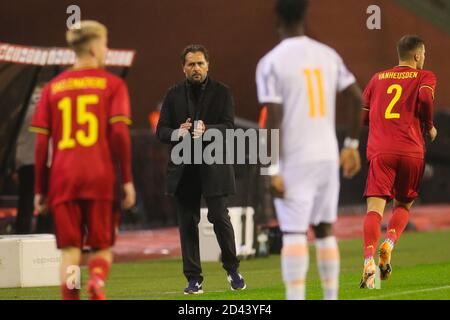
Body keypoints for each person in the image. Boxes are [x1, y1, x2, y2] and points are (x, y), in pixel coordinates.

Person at [256, 0, 362, 300]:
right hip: (327, 156)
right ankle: (331, 296)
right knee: (325, 230)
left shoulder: (271, 62)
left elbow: (273, 118)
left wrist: (272, 169)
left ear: (277, 17)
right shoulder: (328, 55)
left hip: (295, 160)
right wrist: (351, 145)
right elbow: (357, 99)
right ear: (306, 14)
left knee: (294, 233)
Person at [30, 20, 135, 300]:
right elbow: (120, 135)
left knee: (71, 252)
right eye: (105, 43)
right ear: (92, 47)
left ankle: (72, 296)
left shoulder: (52, 88)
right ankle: (97, 281)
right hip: (100, 177)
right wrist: (126, 179)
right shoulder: (113, 85)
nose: (107, 49)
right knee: (101, 247)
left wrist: (40, 189)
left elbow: (42, 144)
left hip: (63, 180)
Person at [156, 44, 246, 294]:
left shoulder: (222, 92)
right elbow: (161, 131)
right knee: (187, 222)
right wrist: (178, 132)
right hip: (184, 167)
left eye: (200, 63)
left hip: (213, 164)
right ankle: (193, 279)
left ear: (208, 65)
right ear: (183, 68)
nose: (196, 68)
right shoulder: (172, 94)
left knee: (219, 217)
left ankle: (232, 269)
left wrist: (208, 130)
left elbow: (229, 127)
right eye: (191, 64)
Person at [360, 35, 437, 289]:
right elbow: (425, 99)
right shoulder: (424, 77)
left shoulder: (376, 78)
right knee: (403, 205)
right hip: (411, 151)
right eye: (423, 54)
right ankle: (389, 243)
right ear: (417, 55)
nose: (424, 58)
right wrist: (428, 125)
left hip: (381, 152)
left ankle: (369, 261)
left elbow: (363, 117)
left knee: (374, 209)